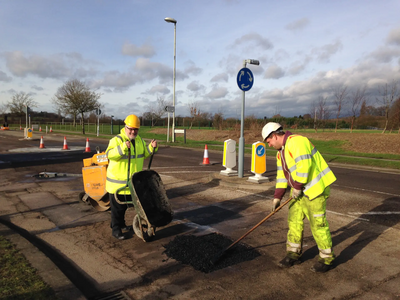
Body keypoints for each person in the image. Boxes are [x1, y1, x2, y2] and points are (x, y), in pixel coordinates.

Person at [262, 122, 336, 273]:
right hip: (300, 190)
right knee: (294, 221)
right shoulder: (280, 153)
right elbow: (282, 176)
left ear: (274, 136)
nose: (269, 145)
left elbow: (304, 167)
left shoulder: (297, 141)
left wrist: (296, 188)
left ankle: (326, 258)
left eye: (269, 142)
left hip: (315, 190)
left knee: (318, 225)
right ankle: (293, 254)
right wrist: (277, 197)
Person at [105, 114, 158, 240]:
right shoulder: (117, 140)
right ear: (125, 127)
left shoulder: (139, 140)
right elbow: (109, 154)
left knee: (128, 206)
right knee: (117, 208)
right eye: (131, 129)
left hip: (133, 183)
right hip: (118, 183)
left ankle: (122, 224)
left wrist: (151, 147)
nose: (133, 131)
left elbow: (144, 154)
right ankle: (116, 229)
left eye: (135, 129)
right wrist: (123, 148)